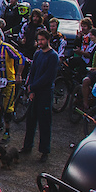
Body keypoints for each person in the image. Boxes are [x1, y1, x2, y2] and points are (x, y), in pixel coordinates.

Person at [20, 28, 58, 159]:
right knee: (30, 120)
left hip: (45, 93)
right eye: (39, 40)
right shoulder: (37, 54)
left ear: (48, 40)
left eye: (42, 40)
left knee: (44, 122)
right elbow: (33, 71)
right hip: (34, 91)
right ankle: (27, 145)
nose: (40, 42)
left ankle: (44, 150)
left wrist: (33, 87)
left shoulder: (53, 56)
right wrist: (29, 87)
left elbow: (48, 77)